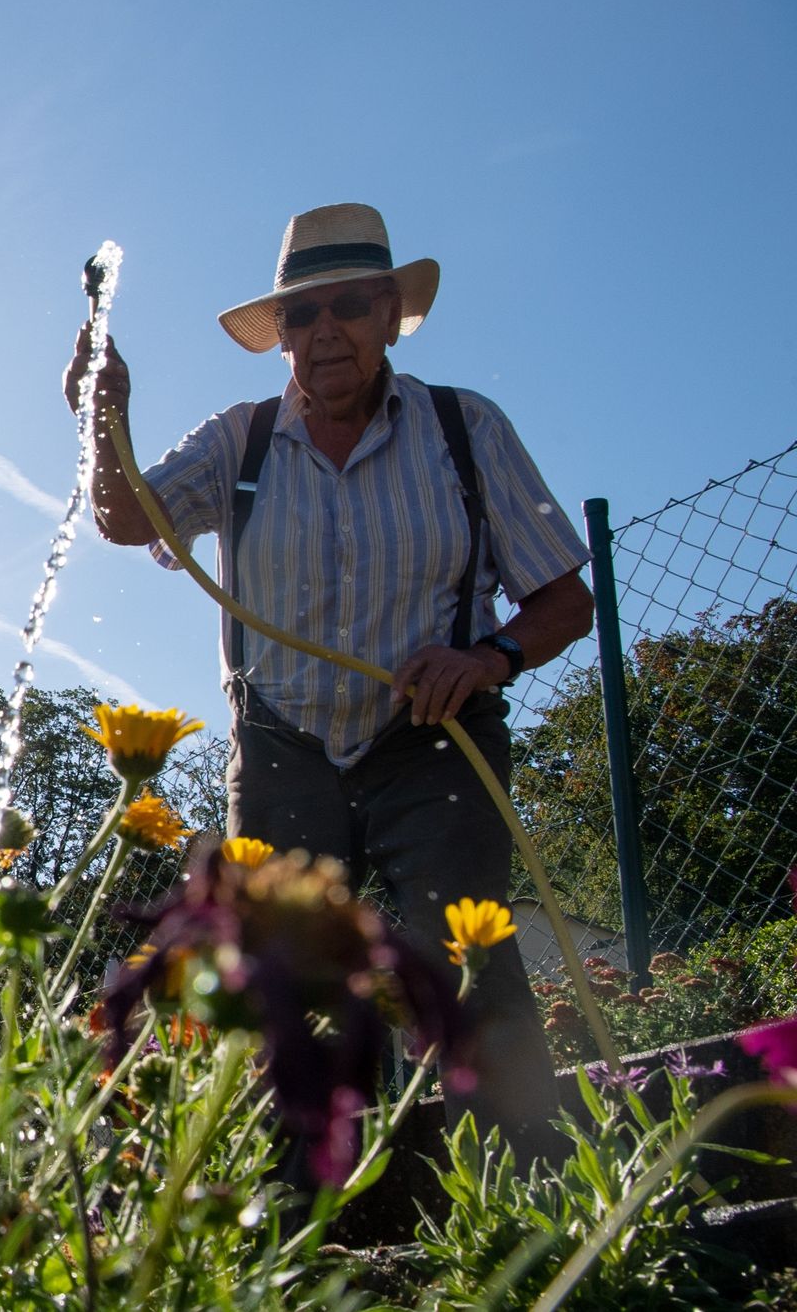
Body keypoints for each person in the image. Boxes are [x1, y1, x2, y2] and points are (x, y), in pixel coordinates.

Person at [67, 203, 594, 1158]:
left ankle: (524, 1202)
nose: (325, 332)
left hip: (436, 741)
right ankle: (298, 1219)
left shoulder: (464, 430)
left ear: (390, 313)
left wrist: (487, 657)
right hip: (282, 747)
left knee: (469, 968)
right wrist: (107, 416)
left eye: (349, 306)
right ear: (284, 340)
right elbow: (126, 517)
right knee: (280, 993)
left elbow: (565, 598)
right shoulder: (241, 441)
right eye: (303, 315)